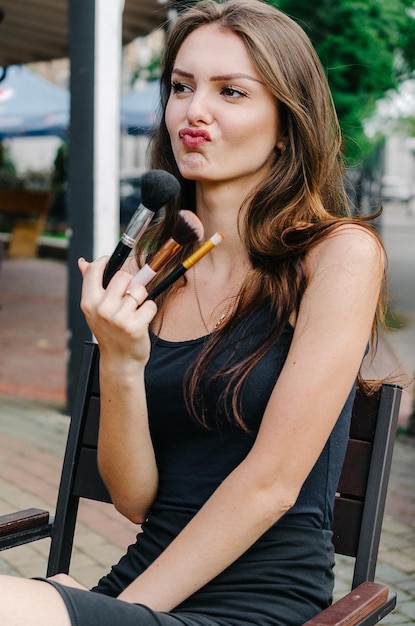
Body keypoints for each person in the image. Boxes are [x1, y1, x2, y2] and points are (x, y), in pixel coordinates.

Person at [0, 1, 386, 624]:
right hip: (146, 581)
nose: (192, 111)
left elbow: (272, 485)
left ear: (287, 121)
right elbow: (135, 500)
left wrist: (108, 613)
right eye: (181, 86)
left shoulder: (337, 255)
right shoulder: (154, 271)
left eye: (231, 91)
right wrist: (122, 363)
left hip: (257, 604)